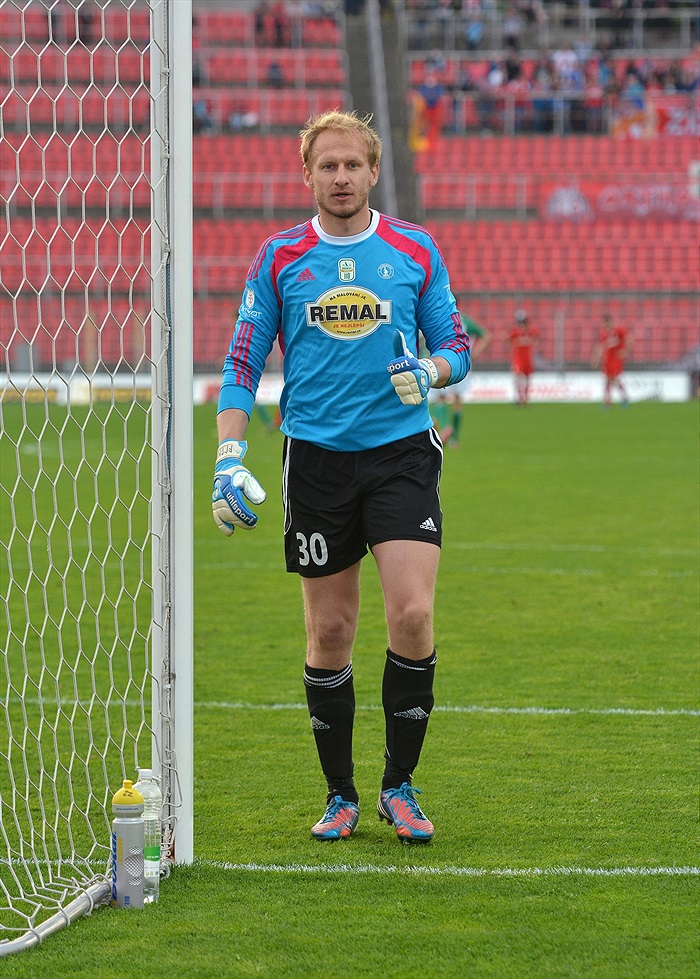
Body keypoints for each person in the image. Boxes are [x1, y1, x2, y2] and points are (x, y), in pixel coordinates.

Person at [212, 109, 470, 844]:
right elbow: (240, 364)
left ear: (373, 169)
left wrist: (431, 369)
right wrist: (229, 455)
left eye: (352, 164)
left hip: (399, 455)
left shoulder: (414, 250)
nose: (341, 176)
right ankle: (340, 794)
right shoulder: (280, 257)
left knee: (413, 615)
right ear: (308, 174)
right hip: (316, 460)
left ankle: (400, 784)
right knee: (330, 629)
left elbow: (456, 342)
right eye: (327, 165)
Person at [594, 313, 632, 407]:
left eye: (607, 323)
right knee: (608, 380)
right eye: (604, 323)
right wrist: (597, 358)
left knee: (613, 378)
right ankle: (612, 400)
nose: (605, 325)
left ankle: (617, 400)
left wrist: (626, 351)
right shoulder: (604, 334)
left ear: (611, 322)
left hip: (616, 358)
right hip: (607, 359)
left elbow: (630, 339)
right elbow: (601, 347)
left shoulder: (619, 330)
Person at [507, 308, 538, 406]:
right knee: (519, 378)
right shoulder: (515, 332)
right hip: (518, 359)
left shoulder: (531, 331)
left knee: (527, 379)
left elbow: (536, 339)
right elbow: (507, 339)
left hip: (528, 358)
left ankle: (525, 398)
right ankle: (520, 398)